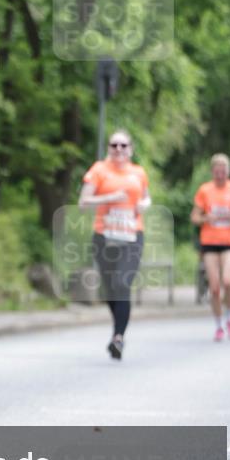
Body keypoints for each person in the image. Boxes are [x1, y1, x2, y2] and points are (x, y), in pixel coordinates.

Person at [79, 129, 151, 360]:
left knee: (122, 283)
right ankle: (117, 330)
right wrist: (109, 198)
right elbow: (83, 202)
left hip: (132, 236)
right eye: (114, 145)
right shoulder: (99, 170)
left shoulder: (138, 172)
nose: (118, 149)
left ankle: (118, 337)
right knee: (110, 288)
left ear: (130, 149)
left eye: (123, 145)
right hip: (105, 235)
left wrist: (144, 205)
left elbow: (147, 197)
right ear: (109, 148)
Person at [191, 154, 230, 341]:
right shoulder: (205, 190)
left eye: (224, 171)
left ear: (228, 171)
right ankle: (218, 325)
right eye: (217, 170)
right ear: (212, 171)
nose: (220, 174)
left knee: (228, 281)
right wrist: (208, 218)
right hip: (209, 243)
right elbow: (195, 217)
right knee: (215, 287)